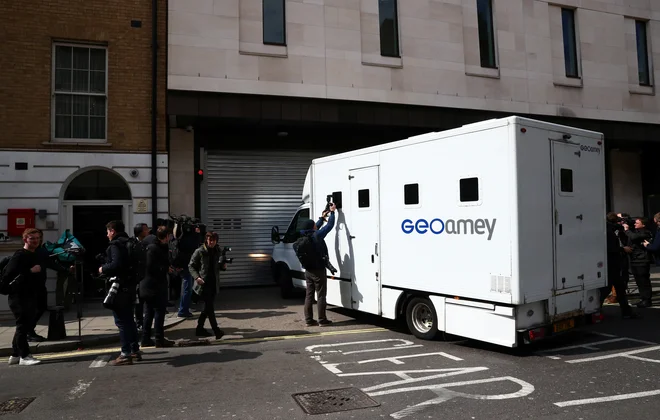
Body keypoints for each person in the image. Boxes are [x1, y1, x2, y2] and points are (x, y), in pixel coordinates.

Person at [99, 220, 141, 365]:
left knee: (121, 322)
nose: (107, 235)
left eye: (108, 232)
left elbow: (116, 265)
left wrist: (103, 268)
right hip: (130, 286)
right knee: (130, 320)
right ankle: (135, 350)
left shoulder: (115, 245)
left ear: (113, 231)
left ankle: (125, 353)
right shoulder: (130, 243)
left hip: (119, 287)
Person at [4, 228, 43, 366]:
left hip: (29, 295)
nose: (36, 241)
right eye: (32, 238)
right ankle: (25, 356)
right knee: (23, 326)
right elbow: (9, 274)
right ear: (25, 239)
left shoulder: (34, 254)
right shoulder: (20, 255)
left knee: (24, 326)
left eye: (37, 238)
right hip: (19, 296)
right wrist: (30, 271)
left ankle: (15, 354)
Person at [296, 204, 336, 327]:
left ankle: (309, 320)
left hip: (308, 270)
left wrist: (321, 218)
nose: (316, 226)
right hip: (318, 270)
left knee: (309, 295)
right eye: (314, 224)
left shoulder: (304, 236)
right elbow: (329, 226)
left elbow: (315, 228)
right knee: (321, 295)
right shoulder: (317, 236)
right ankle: (322, 320)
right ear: (312, 228)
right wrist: (333, 213)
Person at [140, 226, 174, 347]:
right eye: (169, 236)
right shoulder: (153, 248)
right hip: (154, 286)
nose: (170, 238)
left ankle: (146, 339)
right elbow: (150, 266)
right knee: (159, 311)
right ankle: (159, 339)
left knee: (149, 312)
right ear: (166, 236)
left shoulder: (158, 247)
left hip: (150, 285)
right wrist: (165, 268)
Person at [189, 231, 226, 339]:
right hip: (203, 284)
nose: (211, 242)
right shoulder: (200, 251)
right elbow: (191, 266)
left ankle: (199, 328)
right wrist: (197, 277)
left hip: (214, 283)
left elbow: (219, 266)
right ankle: (216, 330)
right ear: (206, 240)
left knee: (206, 308)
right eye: (209, 240)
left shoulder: (218, 250)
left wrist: (223, 266)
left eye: (213, 240)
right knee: (210, 308)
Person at [604, 212, 637, 318]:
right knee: (609, 288)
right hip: (612, 263)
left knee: (619, 288)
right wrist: (623, 249)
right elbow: (610, 248)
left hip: (614, 263)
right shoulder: (609, 232)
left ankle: (626, 312)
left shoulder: (610, 229)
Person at [623, 217, 654, 308]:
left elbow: (633, 237)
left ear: (643, 225)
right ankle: (643, 298)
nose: (635, 224)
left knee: (643, 281)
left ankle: (647, 300)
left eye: (637, 223)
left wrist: (627, 230)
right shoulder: (635, 232)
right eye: (634, 223)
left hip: (642, 260)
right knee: (639, 281)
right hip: (635, 260)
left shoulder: (645, 233)